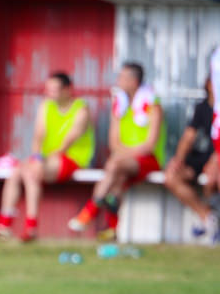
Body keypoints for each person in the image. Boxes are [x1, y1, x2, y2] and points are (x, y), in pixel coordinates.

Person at [0, 71, 94, 242]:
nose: (49, 93)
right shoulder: (46, 105)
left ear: (68, 90)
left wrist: (40, 162)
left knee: (31, 173)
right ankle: (3, 225)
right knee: (16, 172)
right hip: (46, 159)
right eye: (48, 89)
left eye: (54, 90)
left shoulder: (81, 110)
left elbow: (67, 143)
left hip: (73, 159)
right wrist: (37, 157)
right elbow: (38, 135)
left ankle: (30, 228)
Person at [69, 62, 166, 240]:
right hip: (124, 162)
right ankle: (112, 229)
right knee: (117, 177)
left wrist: (121, 155)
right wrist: (120, 155)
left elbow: (149, 145)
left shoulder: (153, 104)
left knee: (114, 166)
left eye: (122, 77)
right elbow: (113, 142)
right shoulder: (119, 103)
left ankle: (91, 208)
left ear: (134, 81)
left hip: (149, 160)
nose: (118, 81)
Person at [163, 77, 218, 242]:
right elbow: (188, 136)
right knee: (172, 176)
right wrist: (178, 159)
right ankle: (207, 216)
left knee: (214, 180)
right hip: (202, 157)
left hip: (217, 158)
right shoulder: (202, 108)